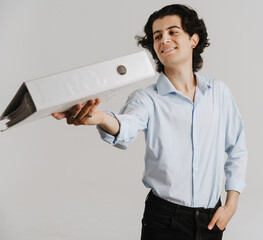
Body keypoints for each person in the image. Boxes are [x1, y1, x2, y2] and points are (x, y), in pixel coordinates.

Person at [52, 4, 248, 240]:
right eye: (157, 36)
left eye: (173, 32)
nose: (164, 39)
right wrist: (100, 117)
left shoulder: (219, 92)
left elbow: (237, 148)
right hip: (164, 220)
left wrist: (231, 205)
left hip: (211, 219)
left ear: (193, 39)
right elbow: (126, 125)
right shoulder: (147, 99)